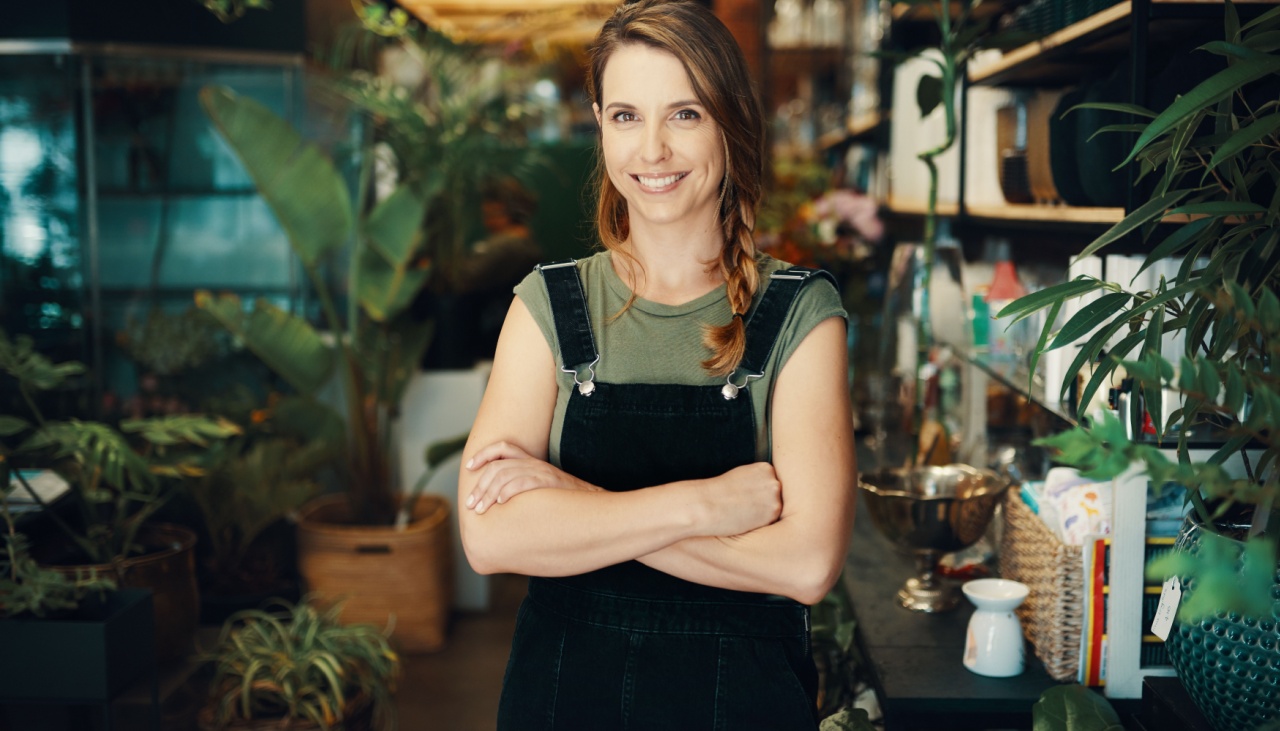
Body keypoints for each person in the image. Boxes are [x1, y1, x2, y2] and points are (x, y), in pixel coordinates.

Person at [457, 1, 856, 728]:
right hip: (562, 699)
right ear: (600, 125)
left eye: (685, 114)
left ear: (729, 122)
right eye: (626, 116)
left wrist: (571, 500)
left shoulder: (800, 314)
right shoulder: (547, 307)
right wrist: (702, 506)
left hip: (740, 703)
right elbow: (490, 537)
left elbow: (805, 565)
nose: (652, 151)